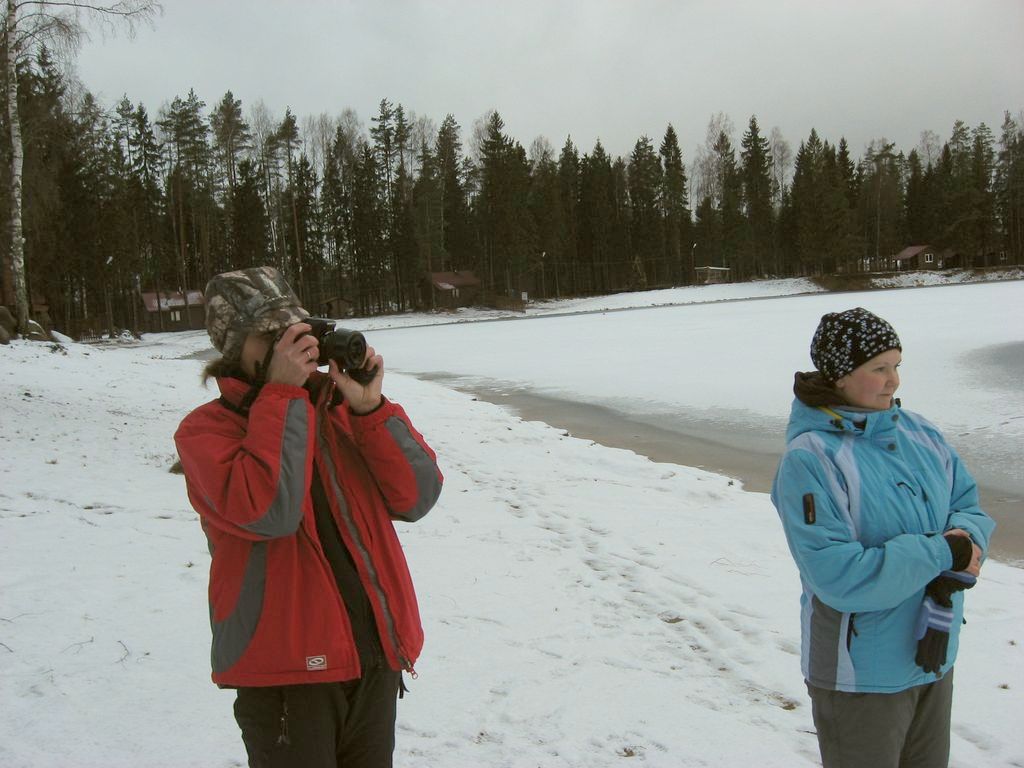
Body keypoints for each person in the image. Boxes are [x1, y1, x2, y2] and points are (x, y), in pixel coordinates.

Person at [174, 266, 443, 768]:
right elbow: (269, 511)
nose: (289, 347)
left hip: (373, 659)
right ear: (235, 347)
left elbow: (417, 497)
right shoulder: (206, 432)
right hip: (287, 678)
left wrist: (370, 410)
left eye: (294, 332)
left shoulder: (337, 411)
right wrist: (280, 395)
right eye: (270, 335)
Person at [771, 307, 994, 768]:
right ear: (839, 376)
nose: (893, 382)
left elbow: (969, 506)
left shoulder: (920, 433)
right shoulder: (811, 459)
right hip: (860, 675)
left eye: (896, 366)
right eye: (878, 369)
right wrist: (941, 552)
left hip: (932, 650)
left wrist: (964, 547)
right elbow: (839, 577)